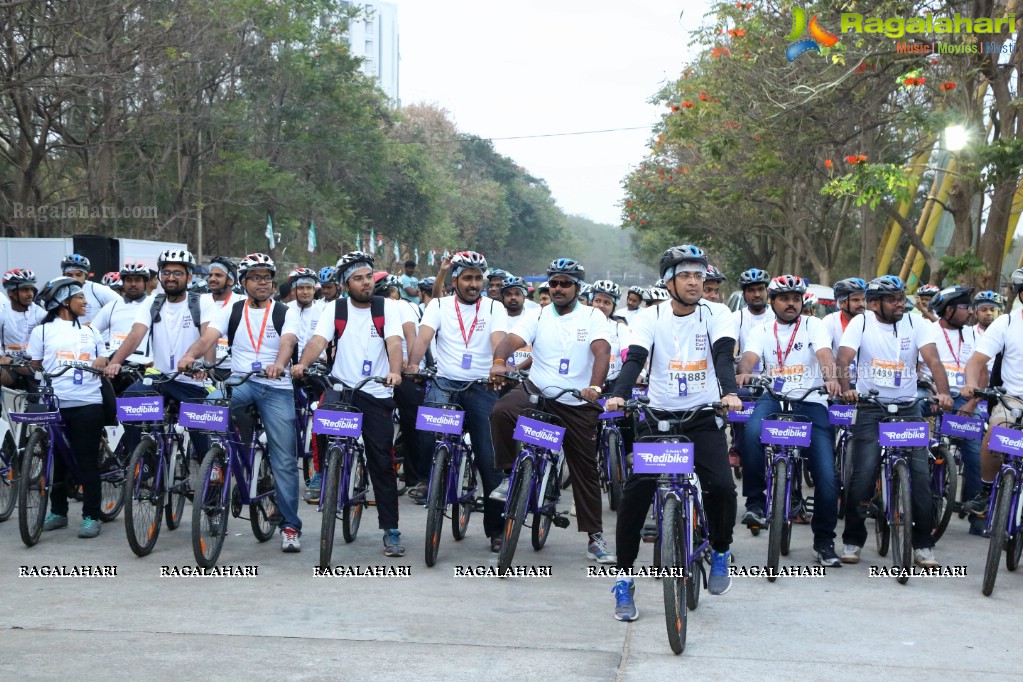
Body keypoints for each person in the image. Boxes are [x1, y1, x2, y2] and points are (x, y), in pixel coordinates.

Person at [605, 245, 741, 621]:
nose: (695, 282)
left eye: (699, 275)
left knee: (723, 487)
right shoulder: (651, 317)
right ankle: (623, 580)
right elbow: (635, 359)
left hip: (703, 414)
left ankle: (720, 550)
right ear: (669, 283)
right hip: (659, 414)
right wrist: (618, 396)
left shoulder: (719, 313)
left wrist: (729, 393)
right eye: (686, 275)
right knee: (635, 495)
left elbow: (723, 355)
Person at [490, 258, 615, 563]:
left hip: (576, 401)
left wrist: (595, 388)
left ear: (577, 287)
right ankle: (510, 475)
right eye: (554, 283)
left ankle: (594, 538)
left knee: (585, 470)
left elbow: (602, 351)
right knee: (502, 412)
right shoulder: (539, 314)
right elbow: (511, 340)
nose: (558, 288)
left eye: (565, 283)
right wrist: (499, 362)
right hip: (537, 392)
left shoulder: (593, 317)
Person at [179, 253, 304, 553]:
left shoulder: (286, 311)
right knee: (206, 406)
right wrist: (190, 356)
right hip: (240, 383)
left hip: (276, 386)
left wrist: (279, 364)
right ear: (244, 282)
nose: (263, 282)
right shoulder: (233, 310)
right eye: (256, 277)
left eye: (267, 277)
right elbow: (208, 338)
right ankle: (216, 460)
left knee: (284, 458)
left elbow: (288, 342)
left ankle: (289, 526)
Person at [292, 251, 407, 557]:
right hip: (342, 389)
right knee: (323, 423)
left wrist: (394, 372)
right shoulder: (335, 308)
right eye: (358, 278)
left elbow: (394, 342)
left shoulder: (387, 308)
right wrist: (303, 364)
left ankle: (390, 530)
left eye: (369, 276)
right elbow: (318, 341)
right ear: (345, 284)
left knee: (381, 462)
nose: (366, 282)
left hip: (377, 391)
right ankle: (325, 475)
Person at [835, 275, 953, 567]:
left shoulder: (917, 324)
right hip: (870, 406)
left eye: (901, 297)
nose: (900, 303)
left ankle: (923, 546)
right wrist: (848, 388)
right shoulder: (861, 323)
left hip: (909, 407)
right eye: (893, 299)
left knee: (921, 478)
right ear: (875, 304)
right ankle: (852, 539)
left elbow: (933, 361)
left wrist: (945, 394)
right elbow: (844, 359)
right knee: (862, 474)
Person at [735, 275, 843, 566]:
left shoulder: (814, 325)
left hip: (811, 401)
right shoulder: (761, 329)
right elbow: (749, 357)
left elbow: (824, 354)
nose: (791, 303)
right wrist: (744, 372)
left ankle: (824, 542)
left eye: (796, 298)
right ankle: (756, 503)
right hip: (773, 398)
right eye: (784, 298)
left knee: (827, 477)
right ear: (772, 302)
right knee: (751, 434)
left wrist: (831, 378)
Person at [406, 251, 508, 550]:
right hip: (445, 381)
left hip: (482, 385)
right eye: (468, 278)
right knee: (426, 427)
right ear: (455, 280)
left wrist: (496, 365)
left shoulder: (494, 307)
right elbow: (423, 338)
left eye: (478, 278)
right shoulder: (438, 305)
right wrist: (413, 364)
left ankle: (496, 529)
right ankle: (429, 478)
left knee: (489, 461)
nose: (474, 284)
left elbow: (498, 339)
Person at [105, 250, 212, 461]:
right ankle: (143, 462)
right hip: (160, 379)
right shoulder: (152, 302)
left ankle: (208, 482)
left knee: (202, 439)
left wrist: (206, 366)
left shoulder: (202, 302)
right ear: (160, 275)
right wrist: (115, 362)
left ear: (189, 277)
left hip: (192, 381)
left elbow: (208, 338)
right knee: (129, 404)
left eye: (177, 273)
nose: (171, 277)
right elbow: (135, 334)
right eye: (166, 272)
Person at [29, 277, 108, 538]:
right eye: (80, 298)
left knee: (86, 460)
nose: (86, 302)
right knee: (58, 460)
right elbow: (36, 364)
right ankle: (58, 512)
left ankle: (90, 515)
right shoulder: (42, 331)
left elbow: (104, 356)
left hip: (87, 402)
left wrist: (101, 359)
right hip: (54, 403)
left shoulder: (91, 331)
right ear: (64, 301)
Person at [962, 269, 1023, 517]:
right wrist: (970, 383)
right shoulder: (1006, 323)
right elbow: (976, 362)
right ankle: (987, 492)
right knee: (996, 432)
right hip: (1011, 399)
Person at [922, 286, 983, 513]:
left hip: (963, 401)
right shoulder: (928, 332)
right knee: (916, 445)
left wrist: (971, 404)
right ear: (948, 310)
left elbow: (983, 372)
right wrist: (930, 394)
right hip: (931, 396)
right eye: (965, 307)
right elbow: (917, 368)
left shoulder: (972, 334)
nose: (970, 312)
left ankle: (975, 511)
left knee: (976, 453)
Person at [90, 263, 151, 355]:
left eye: (137, 280)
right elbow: (91, 333)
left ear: (145, 283)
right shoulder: (112, 307)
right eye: (129, 280)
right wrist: (102, 354)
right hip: (114, 364)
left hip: (146, 365)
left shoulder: (154, 305)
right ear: (123, 283)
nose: (133, 284)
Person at [0, 269, 46, 388]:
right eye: (25, 289)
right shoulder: (3, 312)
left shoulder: (38, 312)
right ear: (11, 292)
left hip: (33, 364)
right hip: (8, 362)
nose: (30, 294)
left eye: (31, 289)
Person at [58, 254, 119, 324]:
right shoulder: (58, 292)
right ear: (64, 276)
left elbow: (122, 306)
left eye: (78, 275)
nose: (74, 278)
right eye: (69, 275)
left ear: (86, 276)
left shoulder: (97, 290)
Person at [286, 267, 325, 360]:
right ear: (292, 290)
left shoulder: (324, 310)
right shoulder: (285, 309)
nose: (305, 292)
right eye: (300, 288)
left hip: (317, 365)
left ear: (314, 290)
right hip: (290, 364)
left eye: (309, 288)